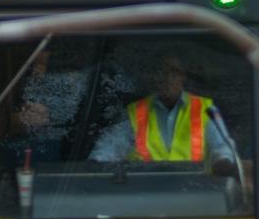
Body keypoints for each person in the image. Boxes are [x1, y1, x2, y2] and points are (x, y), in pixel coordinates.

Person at [90, 52, 237, 169]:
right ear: (153, 77)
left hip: (193, 192)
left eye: (173, 72)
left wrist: (223, 163)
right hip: (143, 194)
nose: (166, 78)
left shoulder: (205, 109)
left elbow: (223, 150)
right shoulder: (136, 112)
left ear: (183, 76)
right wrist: (94, 166)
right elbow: (108, 150)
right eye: (160, 72)